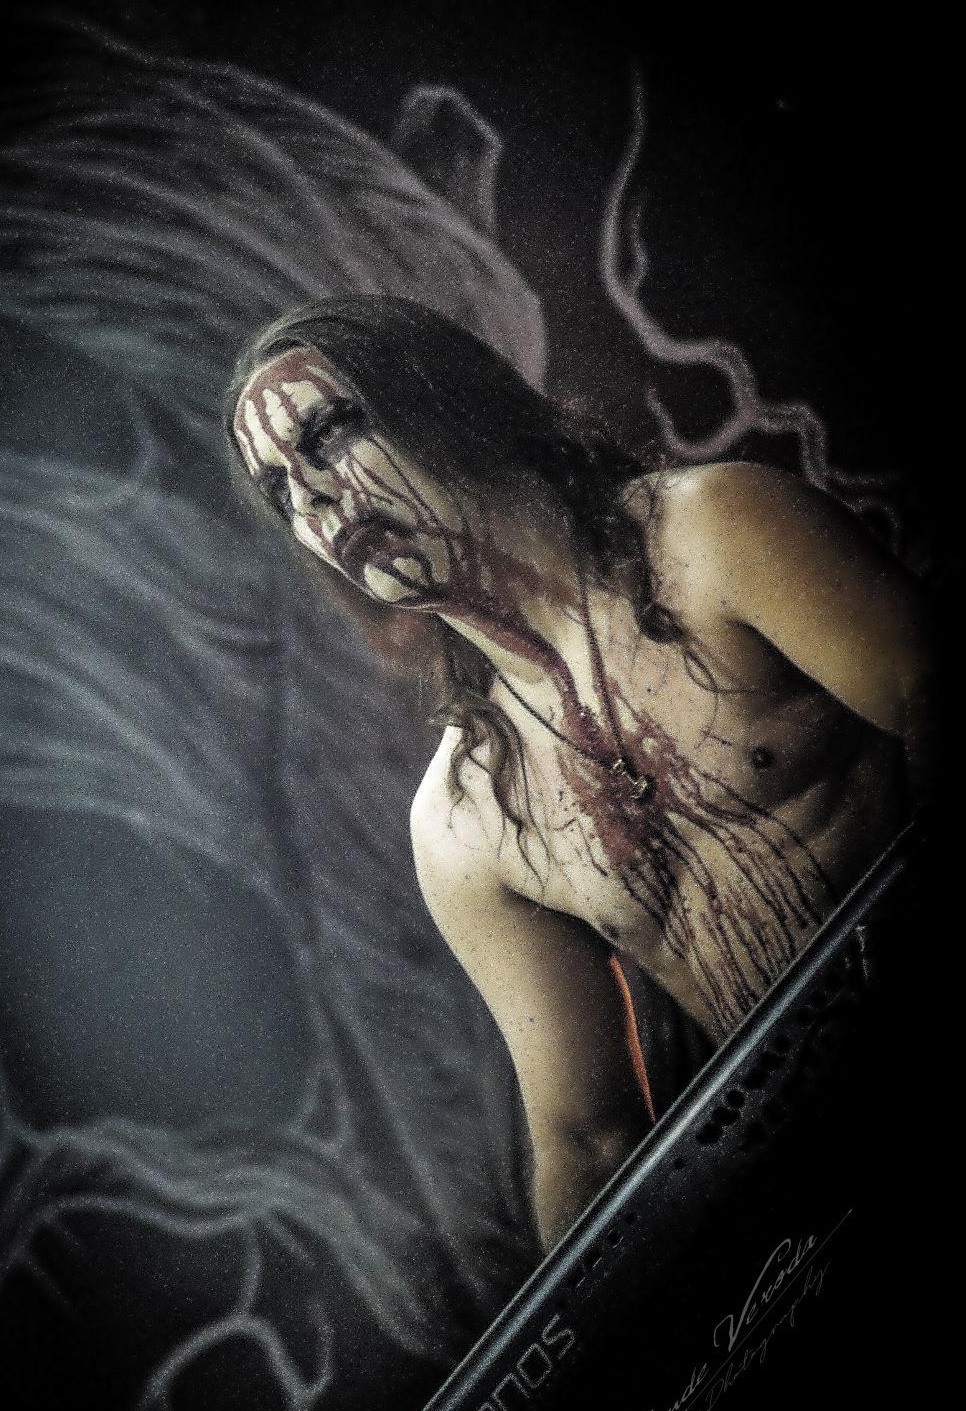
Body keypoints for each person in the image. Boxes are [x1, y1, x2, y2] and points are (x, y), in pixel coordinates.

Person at [224, 296, 932, 1253]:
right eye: (280, 491)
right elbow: (587, 1138)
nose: (312, 498)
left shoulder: (711, 536)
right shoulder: (465, 819)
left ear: (443, 400)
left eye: (329, 434)